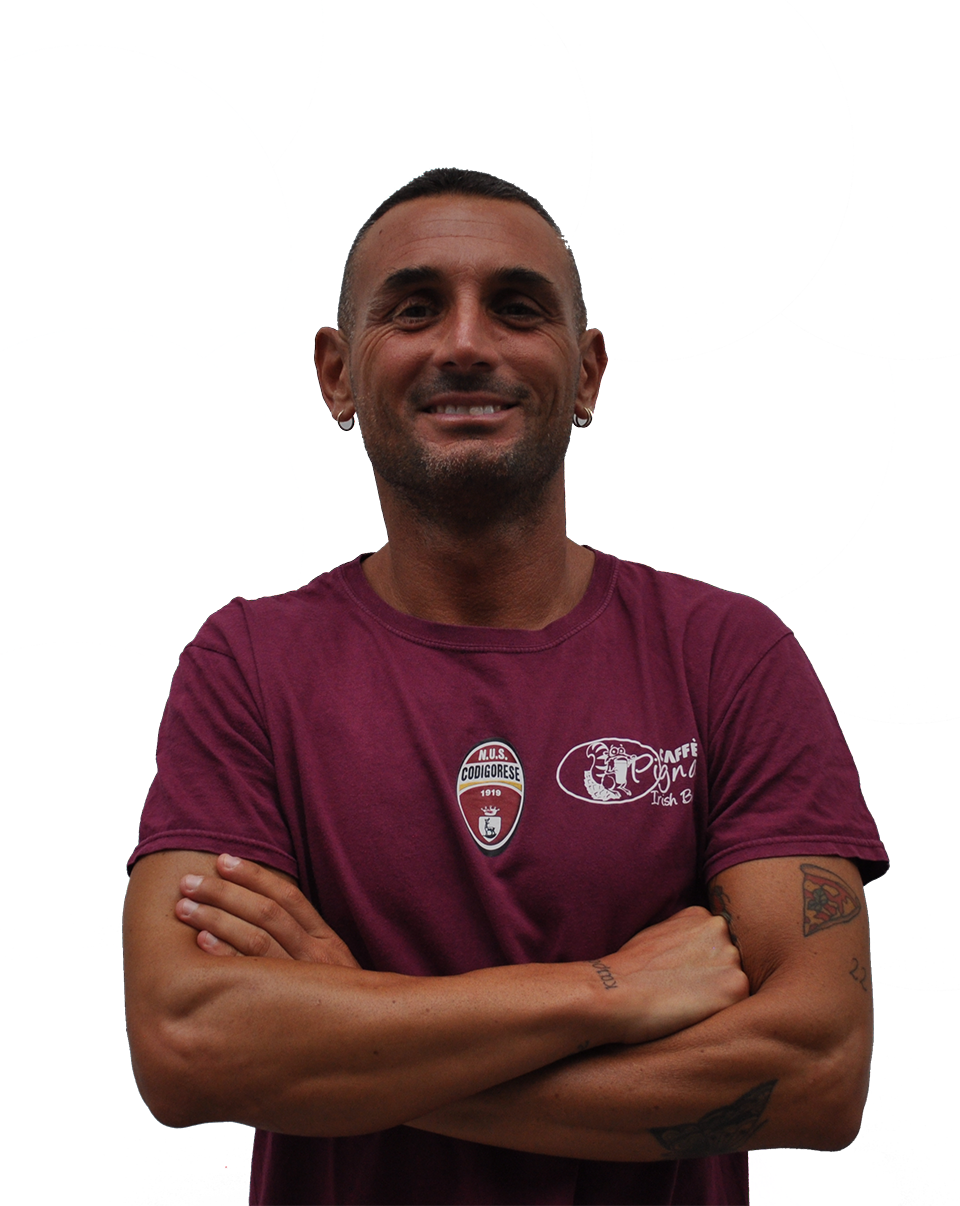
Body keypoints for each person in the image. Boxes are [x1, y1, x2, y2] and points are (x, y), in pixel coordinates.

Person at [121, 167, 889, 1206]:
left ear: (588, 375)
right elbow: (189, 1047)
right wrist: (606, 994)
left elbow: (816, 1074)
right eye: (413, 308)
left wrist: (347, 1031)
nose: (465, 344)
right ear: (339, 376)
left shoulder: (729, 657)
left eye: (517, 308)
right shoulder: (247, 669)